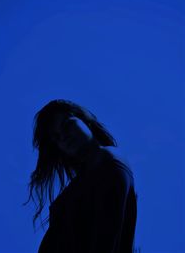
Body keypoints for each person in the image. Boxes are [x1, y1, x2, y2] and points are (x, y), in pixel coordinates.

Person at [23, 99, 138, 253]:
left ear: (85, 121)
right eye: (56, 136)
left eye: (67, 124)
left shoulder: (108, 162)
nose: (63, 136)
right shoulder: (79, 184)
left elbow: (106, 237)